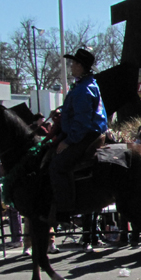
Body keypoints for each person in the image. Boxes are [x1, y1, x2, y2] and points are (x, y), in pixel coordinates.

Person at [45, 47, 107, 224]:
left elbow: (82, 121)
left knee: (57, 165)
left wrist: (69, 141)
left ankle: (65, 209)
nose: (71, 66)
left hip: (84, 136)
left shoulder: (83, 90)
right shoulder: (85, 85)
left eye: (74, 63)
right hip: (88, 133)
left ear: (81, 66)